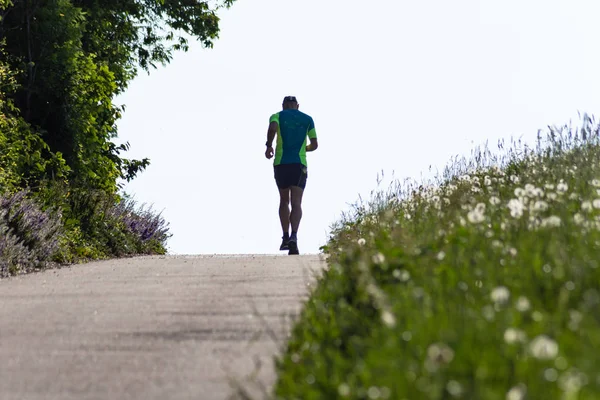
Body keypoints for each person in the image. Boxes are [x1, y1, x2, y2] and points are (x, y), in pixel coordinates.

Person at [265, 96, 318, 255]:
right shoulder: (307, 119)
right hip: (299, 164)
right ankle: (294, 235)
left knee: (283, 200)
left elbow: (273, 128)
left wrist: (268, 145)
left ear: (283, 106)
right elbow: (315, 145)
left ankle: (285, 237)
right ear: (297, 106)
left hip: (281, 163)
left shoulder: (277, 116)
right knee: (297, 202)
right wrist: (302, 149)